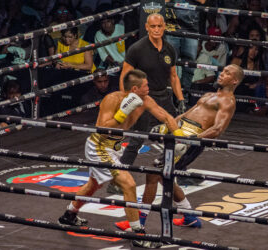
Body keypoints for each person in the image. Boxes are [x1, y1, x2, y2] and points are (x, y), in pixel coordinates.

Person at [58, 69, 184, 248]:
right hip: (99, 147)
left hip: (114, 149)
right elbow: (102, 129)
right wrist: (122, 113)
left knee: (93, 185)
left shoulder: (146, 100)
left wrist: (179, 136)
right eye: (146, 85)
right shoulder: (112, 100)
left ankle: (69, 215)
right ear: (135, 88)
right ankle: (138, 235)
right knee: (129, 185)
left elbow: (166, 117)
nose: (149, 87)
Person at [115, 64, 244, 231]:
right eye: (223, 70)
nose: (222, 74)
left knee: (153, 174)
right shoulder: (210, 94)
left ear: (234, 81)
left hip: (190, 139)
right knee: (164, 177)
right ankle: (190, 216)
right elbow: (188, 113)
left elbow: (218, 129)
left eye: (227, 73)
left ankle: (139, 222)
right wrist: (169, 125)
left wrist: (192, 139)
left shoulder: (227, 101)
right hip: (180, 132)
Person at [118, 13, 186, 168]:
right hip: (145, 99)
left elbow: (173, 76)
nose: (156, 29)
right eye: (153, 26)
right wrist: (125, 99)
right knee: (137, 139)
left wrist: (181, 99)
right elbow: (124, 75)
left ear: (164, 27)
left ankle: (175, 168)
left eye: (159, 26)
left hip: (164, 96)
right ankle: (119, 174)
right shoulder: (137, 49)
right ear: (147, 27)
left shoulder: (169, 49)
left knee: (176, 133)